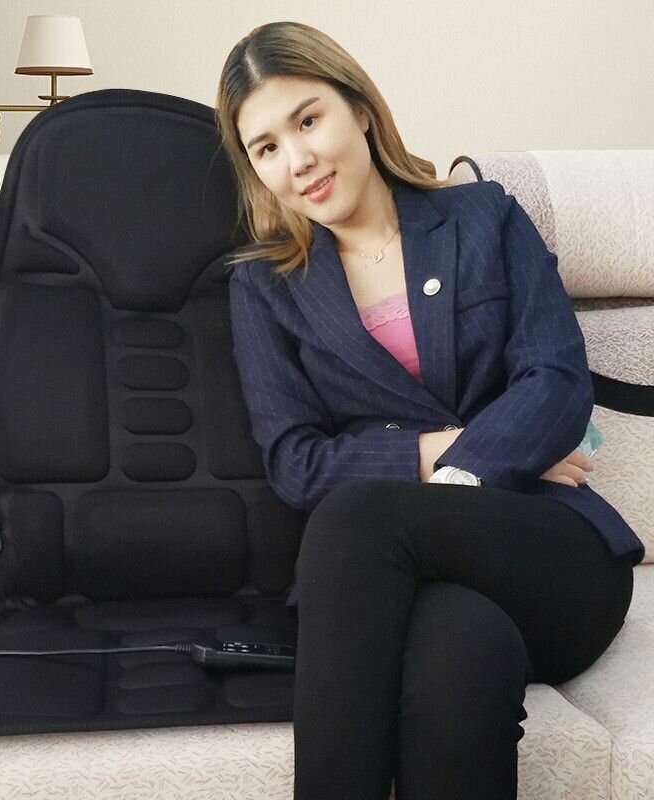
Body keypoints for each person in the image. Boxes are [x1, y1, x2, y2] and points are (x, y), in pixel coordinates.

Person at [215, 20, 643, 800]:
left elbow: (555, 380)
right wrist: (464, 443)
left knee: (355, 516)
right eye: (266, 147)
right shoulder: (265, 287)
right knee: (462, 653)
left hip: (547, 549)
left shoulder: (484, 217)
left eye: (308, 120)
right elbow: (296, 463)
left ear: (360, 109)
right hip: (392, 588)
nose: (297, 159)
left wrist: (460, 479)